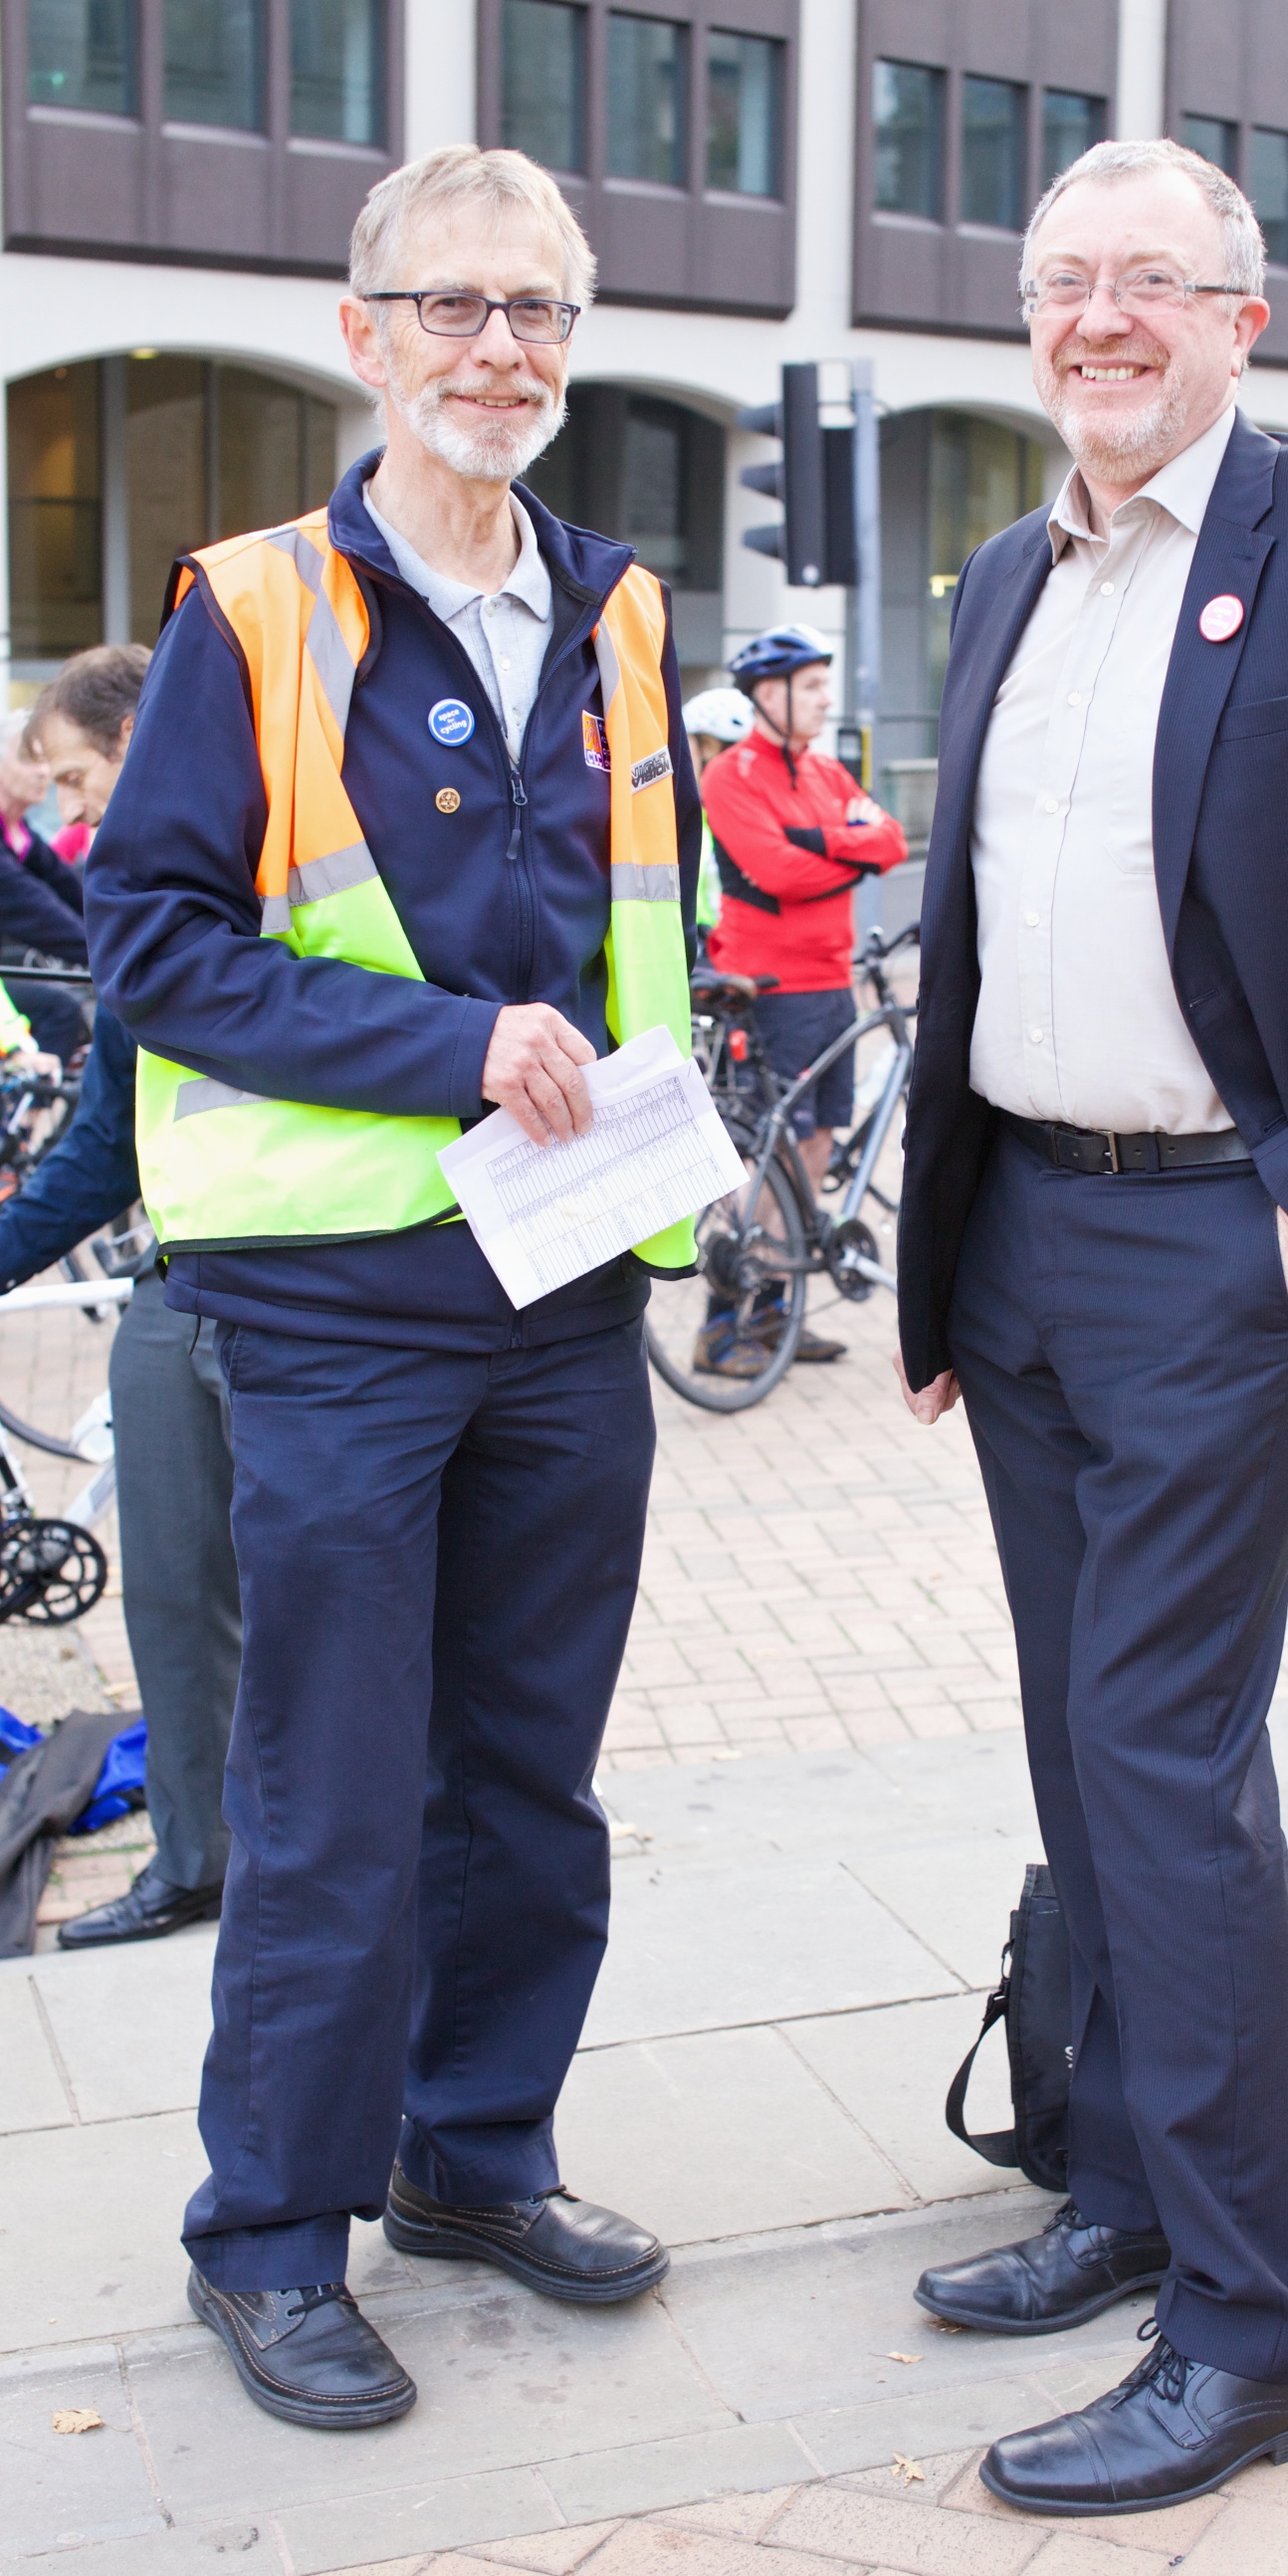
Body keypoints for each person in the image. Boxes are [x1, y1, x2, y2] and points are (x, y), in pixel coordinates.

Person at [895, 136, 1288, 2520]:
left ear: (1238, 316)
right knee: (1087, 1757)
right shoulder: (1000, 566)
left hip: (1214, 1242)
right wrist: (945, 1241)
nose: (1094, 319)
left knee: (1160, 1761)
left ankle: (1257, 2330)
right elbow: (982, 926)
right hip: (1023, 1247)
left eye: (1145, 281)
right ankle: (1128, 2181)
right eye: (1059, 277)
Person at [85, 144, 699, 2434]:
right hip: (338, 1299)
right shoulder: (252, 608)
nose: (496, 348)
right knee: (334, 1787)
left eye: (535, 310)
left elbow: (652, 913)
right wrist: (457, 1047)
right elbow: (150, 943)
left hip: (569, 1291)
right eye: (449, 306)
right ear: (364, 334)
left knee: (524, 1776)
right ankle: (269, 2227)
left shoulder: (623, 604)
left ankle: (474, 2150)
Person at [0, 640, 240, 1949]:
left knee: (300, 1606)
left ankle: (279, 1866)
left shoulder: (263, 849)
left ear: (148, 732)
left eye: (84, 780)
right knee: (174, 1591)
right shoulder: (132, 885)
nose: (76, 818)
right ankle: (202, 1857)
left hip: (304, 1292)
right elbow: (111, 1133)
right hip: (186, 1277)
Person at [698, 625, 906, 1373]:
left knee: (815, 1143)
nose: (825, 699)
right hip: (767, 987)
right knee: (767, 1151)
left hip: (830, 981)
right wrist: (839, 847)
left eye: (825, 684)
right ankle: (723, 1324)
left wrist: (816, 841)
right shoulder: (729, 776)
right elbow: (774, 873)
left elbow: (888, 840)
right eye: (811, 686)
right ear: (767, 692)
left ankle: (778, 1313)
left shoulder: (822, 771)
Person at [0, 703, 96, 1065]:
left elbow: (71, 890)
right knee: (59, 1010)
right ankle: (31, 1121)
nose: (43, 773)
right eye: (29, 760)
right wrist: (106, 954)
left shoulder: (22, 835)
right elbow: (37, 910)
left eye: (46, 761)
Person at [681, 684, 752, 937]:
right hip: (705, 954)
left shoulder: (699, 819)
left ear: (707, 747)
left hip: (723, 955)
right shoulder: (691, 817)